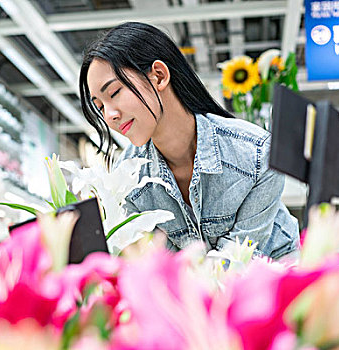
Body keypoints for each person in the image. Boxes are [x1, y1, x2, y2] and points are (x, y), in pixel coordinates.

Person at [79, 22, 299, 259]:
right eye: (100, 106)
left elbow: (241, 259)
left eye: (114, 93)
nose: (110, 115)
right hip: (195, 288)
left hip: (274, 273)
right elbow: (165, 266)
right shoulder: (130, 181)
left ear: (159, 76)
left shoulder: (256, 153)